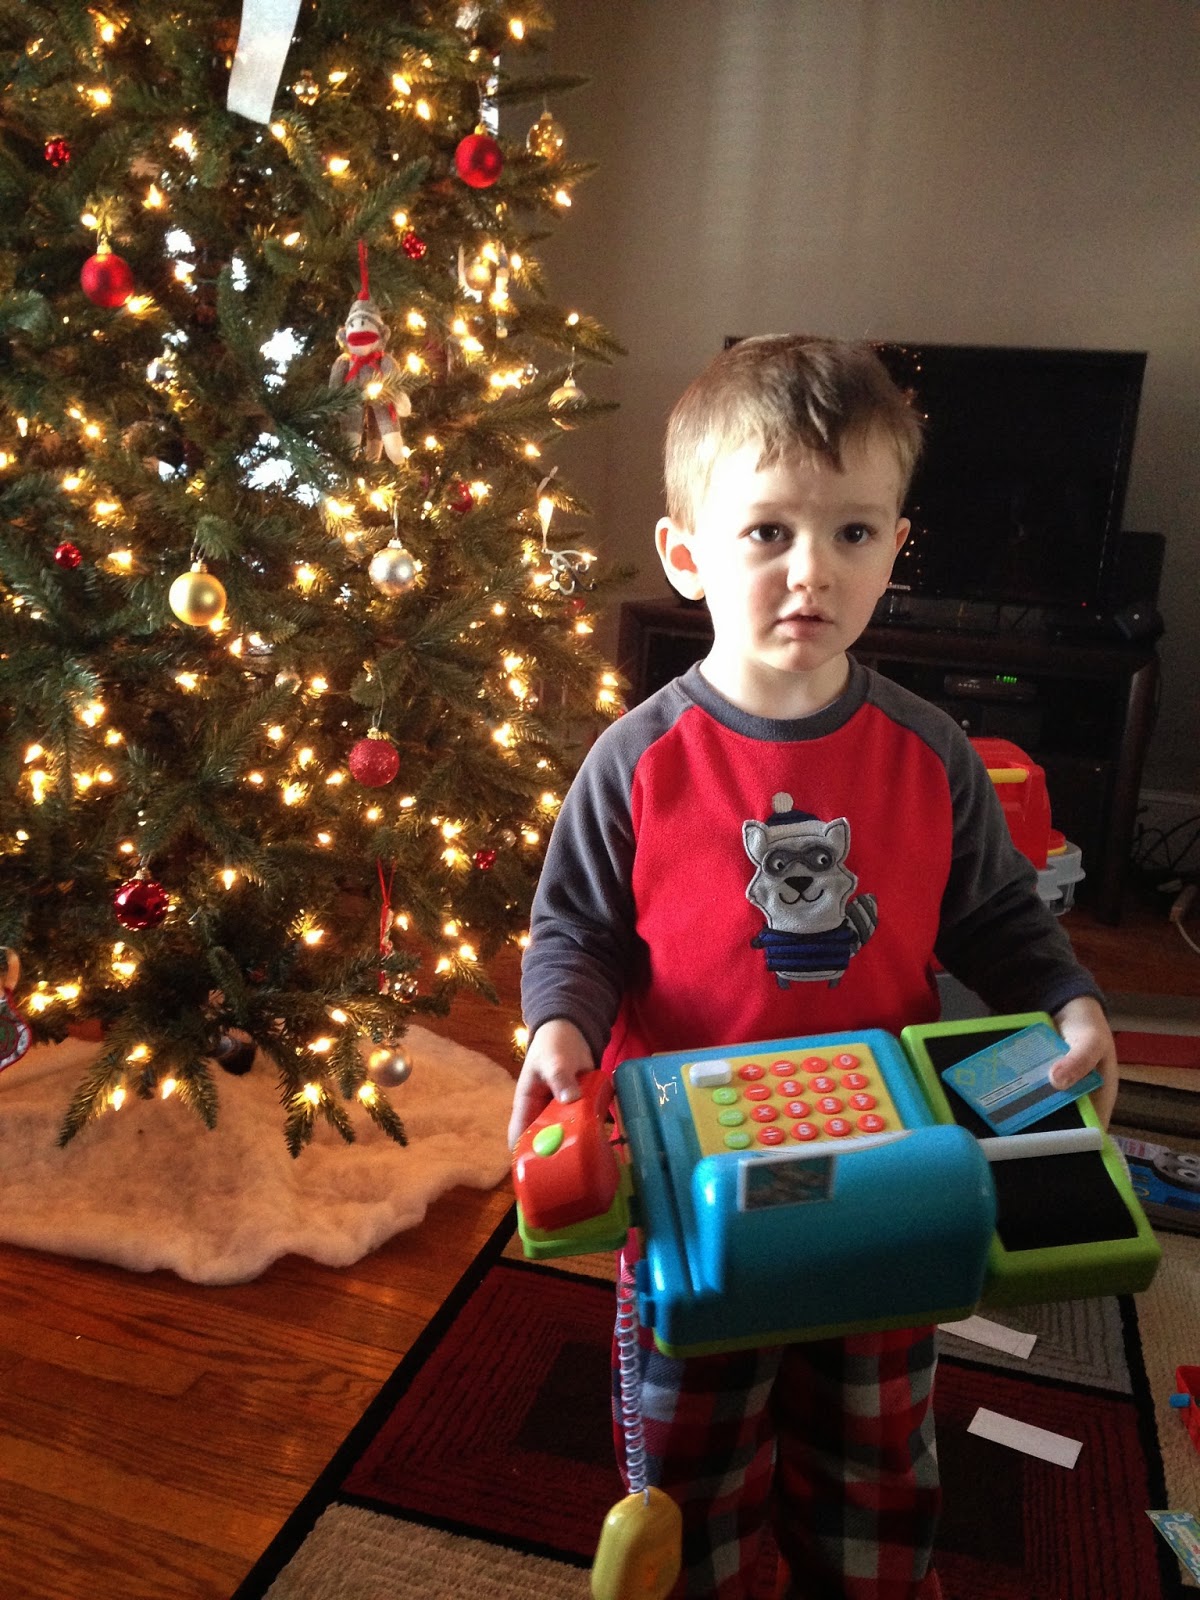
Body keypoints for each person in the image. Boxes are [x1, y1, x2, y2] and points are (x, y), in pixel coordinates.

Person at [509, 334, 1118, 1600]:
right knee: (690, 1446)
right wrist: (559, 1027)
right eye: (768, 531)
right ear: (687, 553)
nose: (812, 569)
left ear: (896, 547)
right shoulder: (637, 759)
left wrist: (1069, 1000)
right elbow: (578, 928)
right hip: (690, 1183)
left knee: (875, 1449)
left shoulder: (930, 752)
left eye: (852, 532)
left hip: (887, 1166)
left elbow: (998, 916)